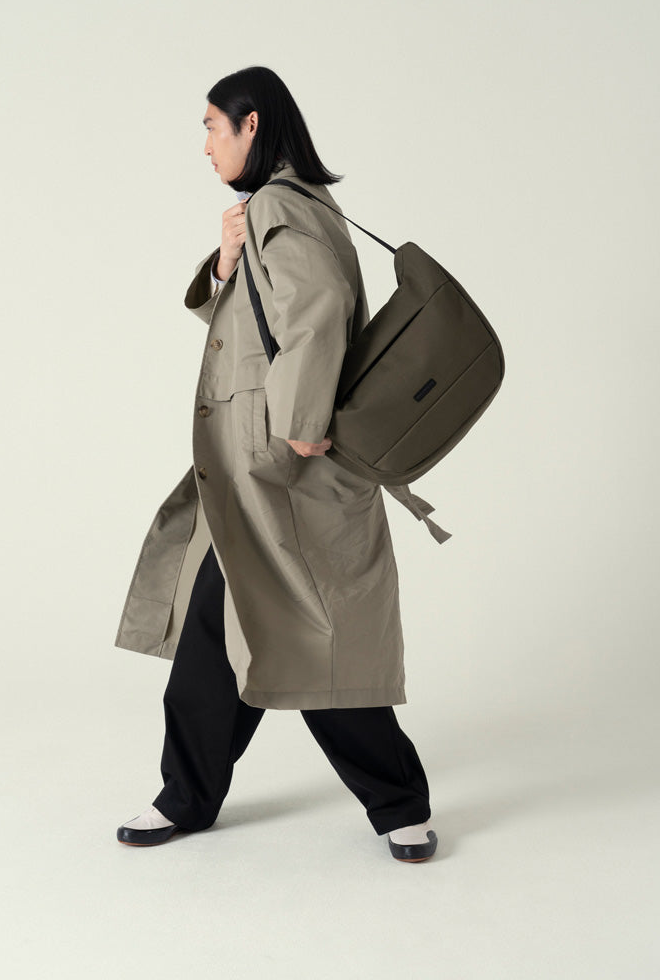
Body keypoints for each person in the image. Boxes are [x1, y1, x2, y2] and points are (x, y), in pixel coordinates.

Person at [113, 66, 437, 862]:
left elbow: (315, 313)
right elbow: (253, 322)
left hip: (280, 472)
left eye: (212, 127)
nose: (206, 146)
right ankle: (186, 797)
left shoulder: (281, 207)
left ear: (251, 124)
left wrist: (298, 425)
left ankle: (400, 806)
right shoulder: (279, 208)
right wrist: (226, 265)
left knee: (317, 641)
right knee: (214, 642)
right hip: (250, 476)